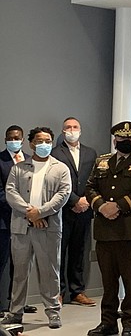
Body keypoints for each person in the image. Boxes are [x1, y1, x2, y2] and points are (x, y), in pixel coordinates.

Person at [85, 121, 131, 336]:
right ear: (115, 139)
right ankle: (107, 322)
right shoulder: (102, 161)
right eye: (122, 139)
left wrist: (118, 206)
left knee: (130, 281)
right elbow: (90, 187)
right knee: (108, 282)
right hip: (105, 229)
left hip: (130, 229)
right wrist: (101, 205)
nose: (126, 142)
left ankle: (129, 323)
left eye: (130, 139)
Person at [1, 127, 71, 329]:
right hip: (22, 227)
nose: (44, 145)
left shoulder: (60, 168)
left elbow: (63, 195)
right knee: (20, 272)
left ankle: (53, 312)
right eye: (40, 141)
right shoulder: (19, 168)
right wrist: (30, 212)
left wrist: (40, 213)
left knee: (50, 272)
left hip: (48, 228)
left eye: (48, 141)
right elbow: (11, 192)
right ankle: (15, 312)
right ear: (31, 144)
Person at [51, 117, 98, 307]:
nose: (72, 130)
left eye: (75, 127)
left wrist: (85, 200)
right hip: (63, 209)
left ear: (81, 130)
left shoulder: (91, 153)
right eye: (68, 127)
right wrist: (74, 201)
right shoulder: (55, 153)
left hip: (86, 209)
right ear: (63, 131)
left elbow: (94, 179)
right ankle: (59, 292)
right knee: (59, 252)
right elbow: (54, 182)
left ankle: (77, 291)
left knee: (80, 251)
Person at [0, 126, 33, 315]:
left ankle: (18, 303)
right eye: (11, 138)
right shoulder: (1, 160)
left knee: (20, 264)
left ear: (22, 140)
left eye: (17, 138)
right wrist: (21, 206)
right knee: (2, 263)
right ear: (6, 139)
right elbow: (1, 192)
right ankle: (1, 304)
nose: (14, 140)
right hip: (4, 220)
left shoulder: (30, 160)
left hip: (26, 222)